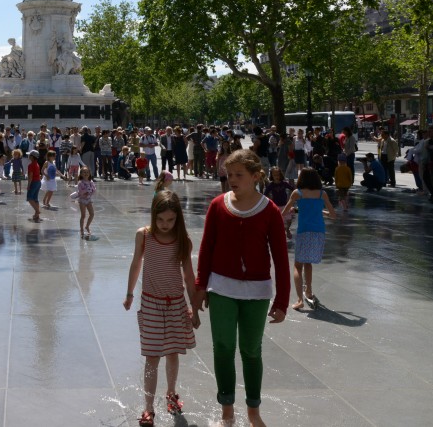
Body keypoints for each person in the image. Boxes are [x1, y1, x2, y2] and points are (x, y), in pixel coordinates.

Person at [192, 149, 290, 427]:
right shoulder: (217, 206)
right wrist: (200, 289)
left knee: (250, 350)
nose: (231, 179)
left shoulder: (270, 210)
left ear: (256, 177)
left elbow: (281, 260)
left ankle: (253, 411)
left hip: (257, 293)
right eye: (229, 174)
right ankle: (227, 411)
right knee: (223, 348)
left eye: (238, 175)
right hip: (221, 289)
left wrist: (282, 301)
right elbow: (206, 249)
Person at [124, 189, 199, 426]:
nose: (165, 224)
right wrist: (129, 293)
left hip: (176, 304)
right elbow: (136, 264)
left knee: (173, 353)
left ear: (178, 218)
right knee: (152, 357)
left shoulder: (182, 241)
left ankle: (171, 392)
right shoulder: (144, 236)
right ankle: (148, 408)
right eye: (160, 219)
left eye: (170, 220)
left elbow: (188, 276)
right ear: (152, 216)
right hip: (152, 304)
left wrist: (194, 308)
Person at [282, 167, 337, 311]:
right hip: (319, 232)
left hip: (304, 232)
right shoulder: (322, 194)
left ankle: (300, 300)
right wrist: (320, 212)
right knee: (308, 263)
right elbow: (333, 215)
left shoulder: (297, 193)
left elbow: (284, 212)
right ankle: (309, 292)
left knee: (297, 266)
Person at [264, 167, 293, 240]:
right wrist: (269, 201)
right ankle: (282, 231)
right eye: (275, 175)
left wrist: (291, 198)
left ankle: (287, 229)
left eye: (278, 175)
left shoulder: (284, 183)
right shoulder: (271, 185)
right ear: (272, 176)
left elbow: (292, 189)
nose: (277, 176)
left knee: (289, 219)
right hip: (276, 206)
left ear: (280, 175)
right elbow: (265, 194)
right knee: (279, 221)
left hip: (285, 205)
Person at [74, 165, 96, 237]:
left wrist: (92, 191)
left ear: (89, 173)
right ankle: (81, 229)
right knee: (83, 215)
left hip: (89, 200)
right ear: (81, 174)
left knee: (92, 214)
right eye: (84, 172)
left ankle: (87, 226)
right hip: (82, 200)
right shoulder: (80, 182)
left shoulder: (91, 182)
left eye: (87, 172)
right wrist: (86, 191)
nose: (86, 173)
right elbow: (80, 191)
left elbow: (94, 189)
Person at [26, 150, 42, 222]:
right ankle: (36, 215)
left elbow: (30, 176)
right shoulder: (37, 164)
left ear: (32, 157)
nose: (28, 156)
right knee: (35, 199)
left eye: (29, 155)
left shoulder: (31, 165)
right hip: (38, 182)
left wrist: (28, 185)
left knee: (29, 198)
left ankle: (37, 211)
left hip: (34, 182)